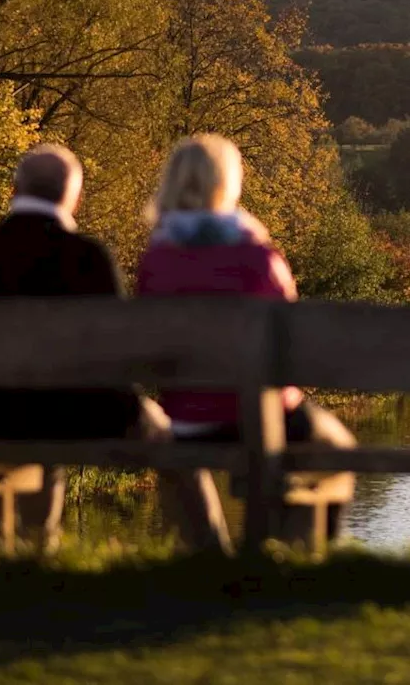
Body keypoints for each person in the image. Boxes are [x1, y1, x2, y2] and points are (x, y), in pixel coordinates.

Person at [136, 134, 357, 546]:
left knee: (179, 459)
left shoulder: (157, 260)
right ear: (229, 184)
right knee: (339, 447)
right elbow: (292, 347)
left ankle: (210, 559)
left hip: (186, 420)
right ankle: (295, 553)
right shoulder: (257, 256)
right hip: (265, 417)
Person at [0, 143, 170, 550]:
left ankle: (1, 554)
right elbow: (116, 357)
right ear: (76, 198)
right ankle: (207, 556)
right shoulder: (88, 257)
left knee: (26, 422)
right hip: (81, 418)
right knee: (165, 433)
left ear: (14, 191)